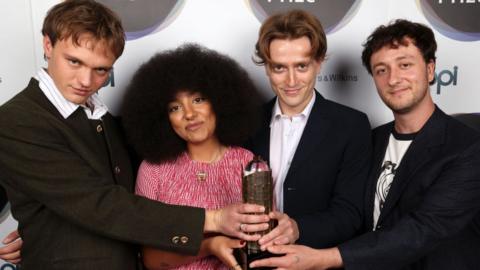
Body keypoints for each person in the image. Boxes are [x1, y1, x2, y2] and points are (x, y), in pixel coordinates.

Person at [0, 1, 268, 269]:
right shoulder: (17, 121)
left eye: (101, 70)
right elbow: (99, 204)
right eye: (74, 61)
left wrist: (41, 228)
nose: (85, 80)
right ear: (48, 45)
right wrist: (214, 219)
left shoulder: (102, 118)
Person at [251, 19, 480, 270]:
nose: (393, 79)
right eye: (381, 70)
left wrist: (325, 258)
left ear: (430, 68)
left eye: (405, 65)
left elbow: (423, 229)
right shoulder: (375, 138)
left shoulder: (468, 148)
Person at [120, 44, 262, 269]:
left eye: (198, 100)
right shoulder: (153, 169)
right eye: (174, 108)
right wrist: (210, 246)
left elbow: (261, 243)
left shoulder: (247, 163)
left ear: (219, 100)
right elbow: (151, 260)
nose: (189, 114)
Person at [247, 9, 372, 250]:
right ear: (266, 68)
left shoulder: (351, 126)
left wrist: (298, 228)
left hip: (316, 260)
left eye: (301, 66)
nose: (291, 81)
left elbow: (351, 213)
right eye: (280, 68)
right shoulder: (246, 123)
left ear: (319, 63)